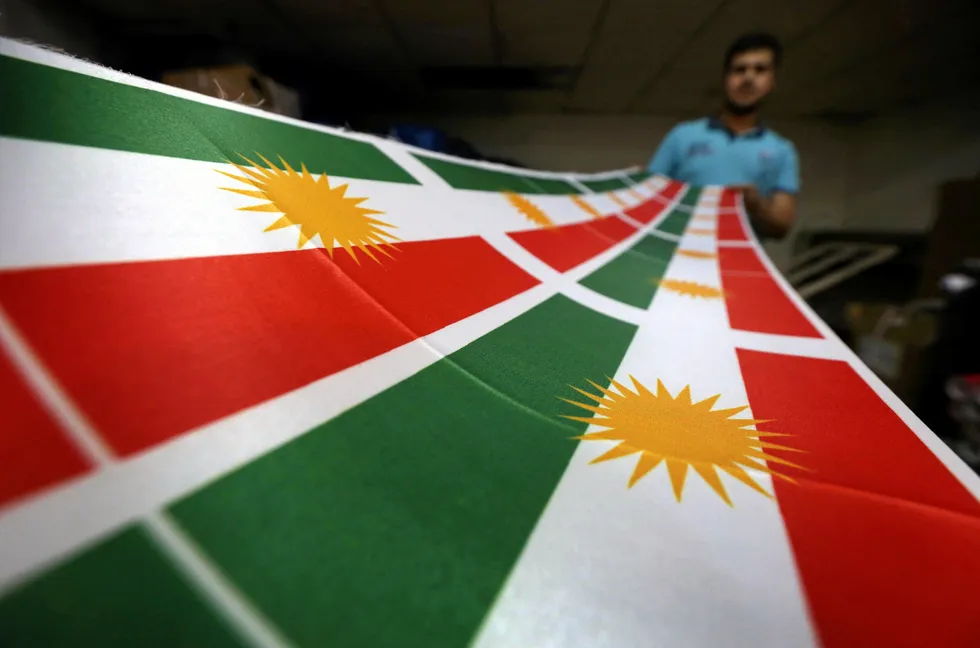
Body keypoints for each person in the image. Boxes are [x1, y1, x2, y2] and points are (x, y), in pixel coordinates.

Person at [647, 32, 798, 239]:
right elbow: (649, 202)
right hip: (677, 260)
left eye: (760, 70)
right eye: (739, 70)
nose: (748, 77)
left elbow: (782, 228)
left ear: (772, 81)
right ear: (726, 79)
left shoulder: (782, 150)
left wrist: (756, 206)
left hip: (739, 264)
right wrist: (636, 184)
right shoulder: (682, 136)